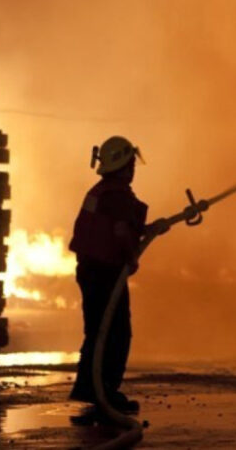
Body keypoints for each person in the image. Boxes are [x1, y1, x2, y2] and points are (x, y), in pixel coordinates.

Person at [68, 136, 168, 412]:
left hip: (90, 268)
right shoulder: (117, 194)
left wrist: (151, 229)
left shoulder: (102, 191)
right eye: (131, 164)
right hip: (104, 271)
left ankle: (89, 387)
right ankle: (105, 390)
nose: (134, 169)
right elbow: (121, 231)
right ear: (124, 166)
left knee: (99, 329)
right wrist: (132, 256)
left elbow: (115, 225)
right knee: (116, 332)